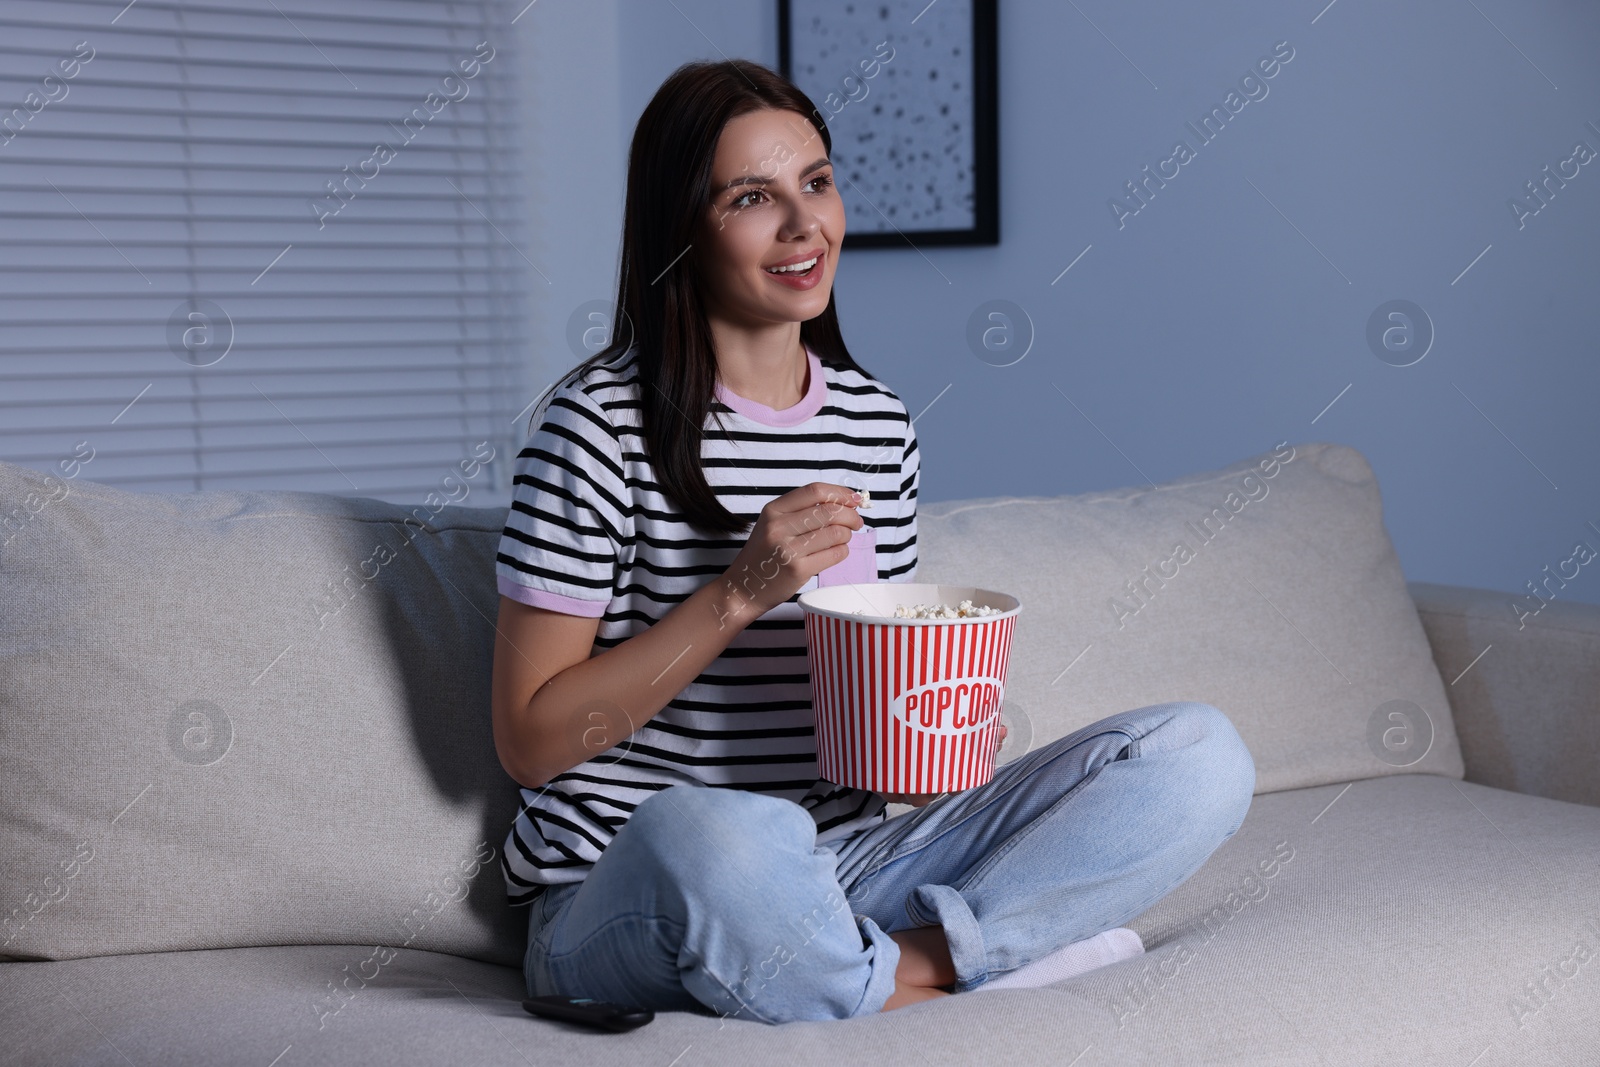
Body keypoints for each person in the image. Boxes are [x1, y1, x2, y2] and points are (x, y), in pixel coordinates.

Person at [490, 58, 1256, 1025]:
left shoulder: (874, 424)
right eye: (752, 198)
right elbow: (529, 741)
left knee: (1196, 754)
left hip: (842, 870)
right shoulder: (594, 426)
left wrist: (935, 723)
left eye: (816, 182)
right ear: (682, 229)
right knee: (717, 835)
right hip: (625, 892)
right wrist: (734, 596)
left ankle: (884, 969)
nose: (805, 225)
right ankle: (943, 974)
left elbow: (863, 743)